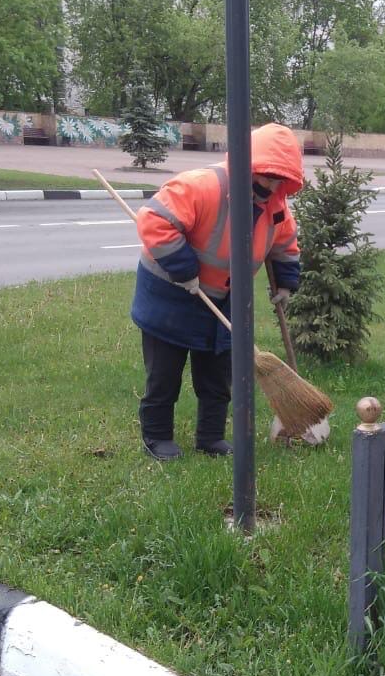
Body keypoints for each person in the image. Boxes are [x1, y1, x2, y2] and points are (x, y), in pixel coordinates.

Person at [130, 122, 303, 461]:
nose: (270, 184)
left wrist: (285, 283)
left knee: (216, 376)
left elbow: (285, 244)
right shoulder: (201, 186)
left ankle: (210, 437)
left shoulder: (276, 206)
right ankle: (157, 436)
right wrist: (183, 270)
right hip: (171, 295)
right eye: (266, 175)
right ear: (248, 165)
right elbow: (154, 219)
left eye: (278, 179)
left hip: (224, 300)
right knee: (164, 374)